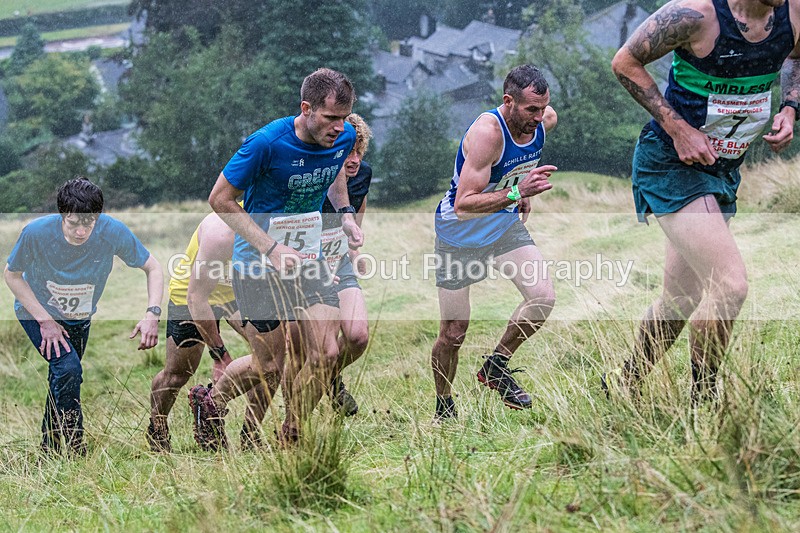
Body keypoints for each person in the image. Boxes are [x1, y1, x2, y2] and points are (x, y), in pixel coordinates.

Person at [608, 0, 800, 402]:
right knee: (729, 286)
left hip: (722, 169)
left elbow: (798, 57)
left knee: (680, 298)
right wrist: (678, 129)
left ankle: (623, 385)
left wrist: (790, 106)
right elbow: (625, 62)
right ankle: (704, 404)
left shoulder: (794, 12)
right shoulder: (696, 14)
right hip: (671, 165)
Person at [192, 67, 363, 448]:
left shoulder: (344, 136)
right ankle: (213, 403)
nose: (339, 127)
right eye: (331, 118)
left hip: (309, 261)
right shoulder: (266, 143)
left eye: (344, 118)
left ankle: (292, 432)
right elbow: (219, 199)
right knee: (269, 366)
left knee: (326, 354)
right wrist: (270, 246)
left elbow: (335, 173)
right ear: (306, 108)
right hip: (256, 266)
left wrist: (346, 214)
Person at [430, 64, 558, 421]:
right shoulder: (488, 132)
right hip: (460, 233)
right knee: (453, 334)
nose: (538, 116)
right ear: (508, 101)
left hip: (502, 226)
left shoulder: (545, 121)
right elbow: (464, 204)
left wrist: (519, 183)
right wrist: (518, 190)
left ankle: (496, 366)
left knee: (543, 297)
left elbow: (523, 157)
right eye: (530, 109)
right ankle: (444, 405)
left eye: (542, 107)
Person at [4, 177, 162, 455]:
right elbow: (12, 275)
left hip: (79, 317)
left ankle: (48, 449)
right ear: (62, 215)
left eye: (88, 224)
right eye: (73, 223)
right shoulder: (36, 233)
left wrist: (152, 313)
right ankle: (77, 447)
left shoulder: (113, 232)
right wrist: (45, 321)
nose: (80, 232)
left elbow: (153, 268)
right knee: (68, 369)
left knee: (64, 376)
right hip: (36, 312)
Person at [146, 212, 269, 452]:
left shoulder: (272, 212)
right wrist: (220, 356)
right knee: (178, 374)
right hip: (190, 295)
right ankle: (157, 428)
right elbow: (197, 298)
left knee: (270, 358)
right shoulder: (219, 229)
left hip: (235, 292)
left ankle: (251, 436)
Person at [301, 112, 374, 416]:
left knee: (357, 337)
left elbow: (358, 211)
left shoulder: (363, 176)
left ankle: (331, 378)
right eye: (347, 152)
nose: (354, 159)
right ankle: (298, 414)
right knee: (321, 347)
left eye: (359, 151)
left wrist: (355, 252)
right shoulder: (315, 180)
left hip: (339, 261)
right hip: (310, 267)